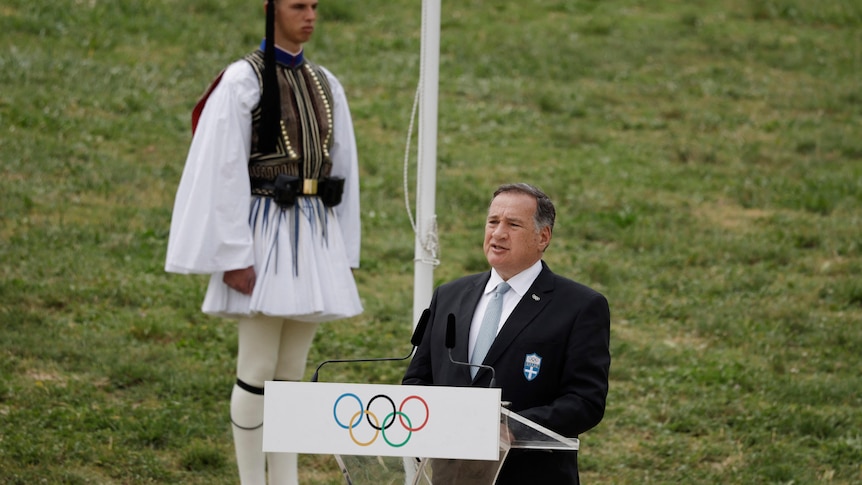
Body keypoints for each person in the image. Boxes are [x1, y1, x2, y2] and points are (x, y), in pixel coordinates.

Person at [165, 1, 362, 483]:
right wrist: (233, 253)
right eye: (299, 6)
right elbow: (223, 170)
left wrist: (341, 250)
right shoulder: (241, 81)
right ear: (271, 10)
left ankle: (284, 479)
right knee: (257, 366)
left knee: (291, 371)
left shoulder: (325, 83)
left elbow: (344, 167)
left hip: (312, 236)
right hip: (263, 234)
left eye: (315, 5)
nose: (311, 15)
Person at [402, 183, 610, 484]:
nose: (498, 233)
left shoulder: (580, 306)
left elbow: (586, 401)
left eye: (513, 224)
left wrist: (513, 427)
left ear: (543, 236)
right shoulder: (449, 296)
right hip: (451, 475)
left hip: (529, 474)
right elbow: (417, 379)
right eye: (492, 222)